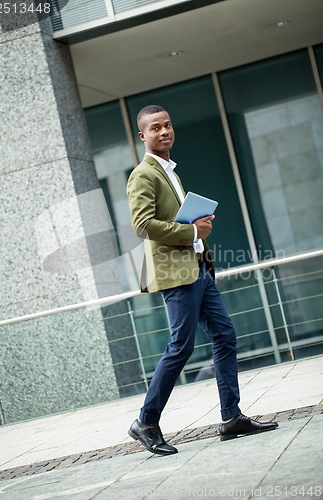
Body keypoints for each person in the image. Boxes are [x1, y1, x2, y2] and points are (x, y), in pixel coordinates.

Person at [126, 104, 278, 455]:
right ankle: (145, 421)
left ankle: (230, 416)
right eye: (155, 128)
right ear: (143, 136)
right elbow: (142, 225)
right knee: (181, 346)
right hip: (176, 274)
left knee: (224, 335)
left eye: (167, 125)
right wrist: (191, 229)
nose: (164, 132)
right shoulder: (143, 174)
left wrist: (198, 231)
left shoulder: (171, 173)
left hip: (199, 269)